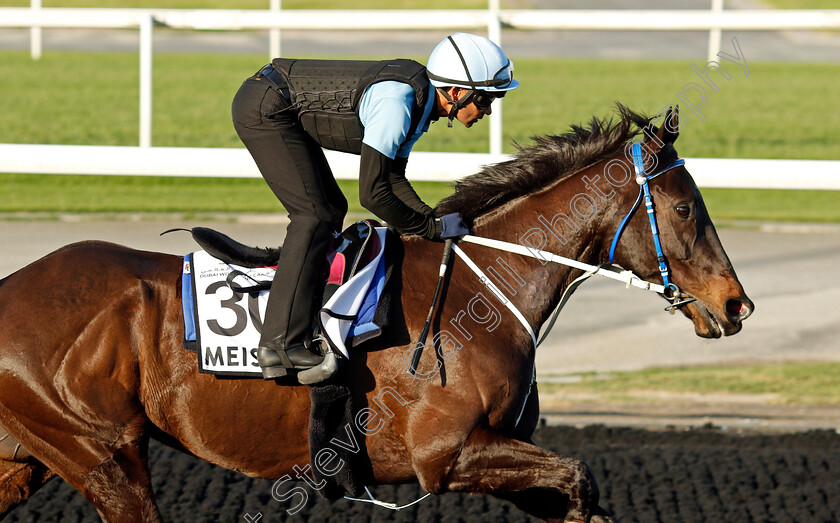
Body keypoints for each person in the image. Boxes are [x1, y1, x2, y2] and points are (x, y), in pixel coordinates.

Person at [231, 32, 519, 382]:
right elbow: (372, 193)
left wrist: (433, 218)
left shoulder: (421, 103)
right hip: (264, 107)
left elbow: (393, 179)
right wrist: (430, 229)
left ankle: (302, 320)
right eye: (486, 99)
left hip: (275, 101)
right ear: (457, 93)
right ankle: (278, 344)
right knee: (314, 215)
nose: (487, 110)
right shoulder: (398, 103)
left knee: (330, 208)